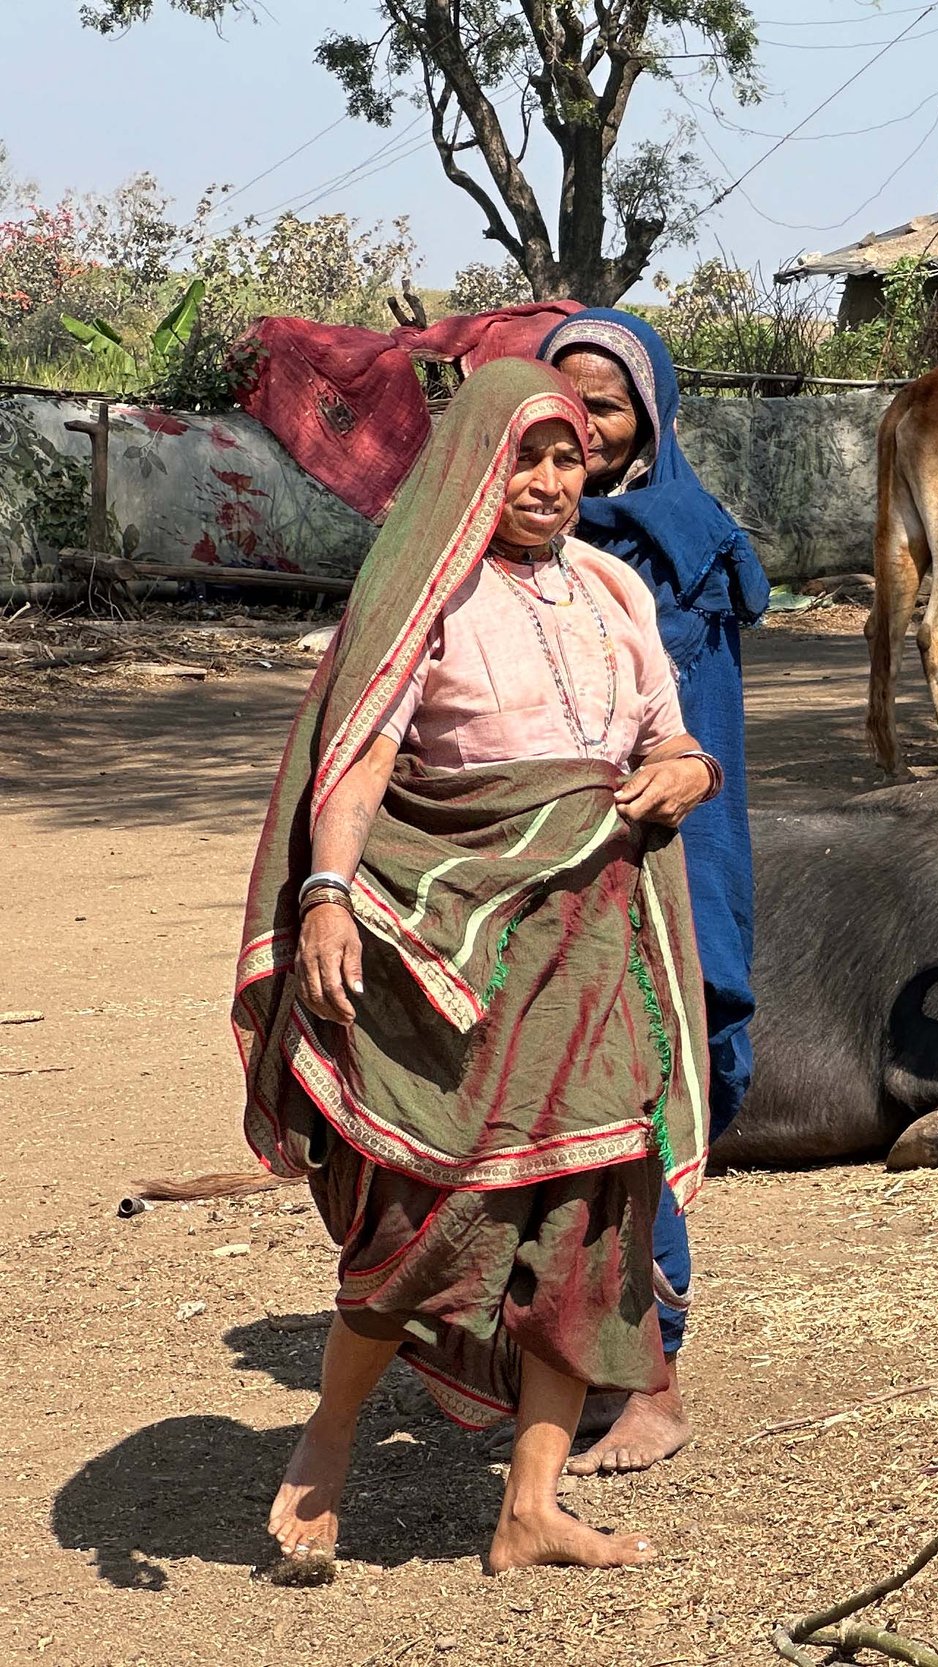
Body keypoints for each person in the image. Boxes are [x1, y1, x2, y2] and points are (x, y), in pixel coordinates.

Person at [232, 358, 719, 1576]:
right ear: (475, 465)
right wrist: (329, 893)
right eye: (525, 458)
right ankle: (328, 1442)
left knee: (591, 1212)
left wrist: (687, 769)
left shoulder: (612, 588)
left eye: (567, 458)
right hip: (464, 942)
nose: (550, 482)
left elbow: (668, 736)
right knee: (430, 1207)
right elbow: (360, 753)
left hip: (598, 940)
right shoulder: (427, 595)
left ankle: (530, 1506)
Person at [538, 309, 769, 1474]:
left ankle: (651, 1377)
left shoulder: (687, 552)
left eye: (607, 407)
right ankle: (570, 1356)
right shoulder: (509, 537)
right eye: (563, 407)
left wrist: (688, 893)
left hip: (662, 862)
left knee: (641, 1101)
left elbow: (704, 743)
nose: (583, 430)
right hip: (544, 871)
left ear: (652, 417)